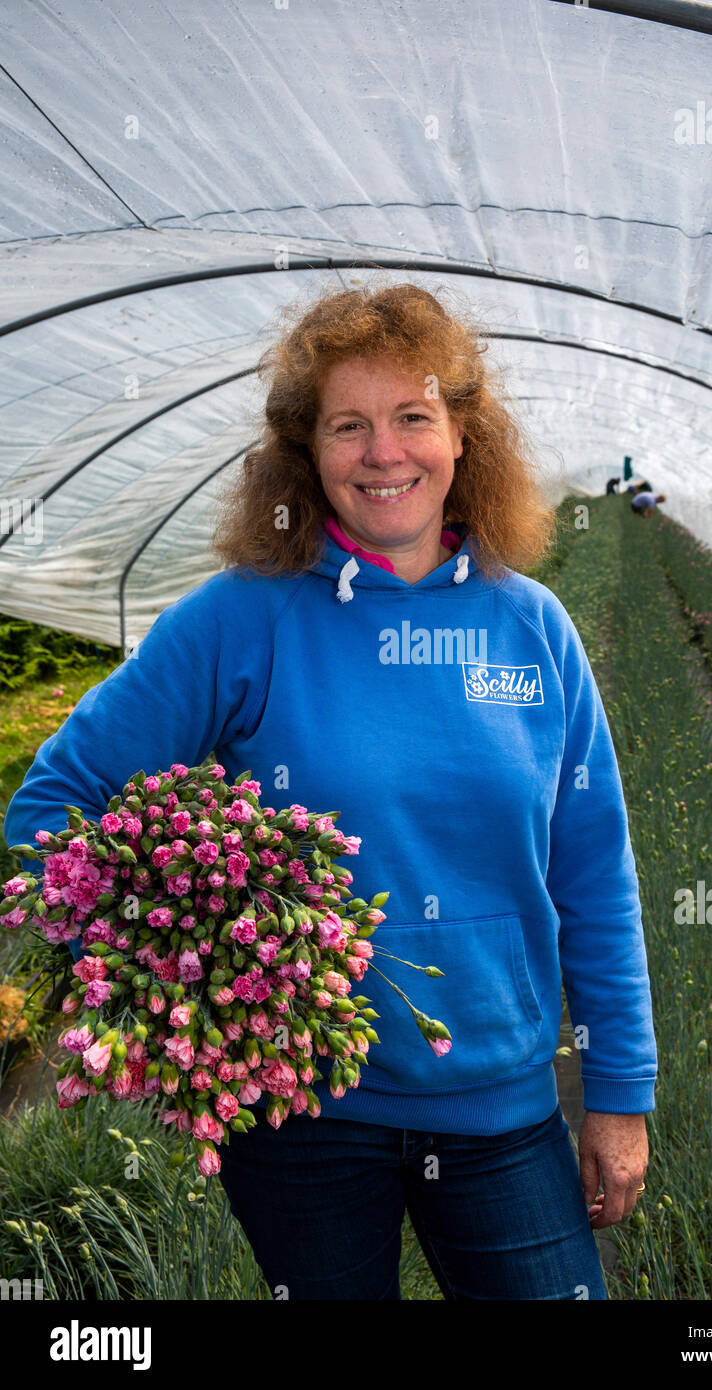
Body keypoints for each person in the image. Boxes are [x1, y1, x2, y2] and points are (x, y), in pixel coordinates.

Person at [4, 282, 657, 1302]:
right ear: (305, 452)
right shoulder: (240, 619)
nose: (382, 452)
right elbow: (57, 806)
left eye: (413, 417)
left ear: (461, 439)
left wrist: (618, 1093)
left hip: (497, 1108)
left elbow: (594, 876)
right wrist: (172, 964)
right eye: (347, 425)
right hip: (298, 1117)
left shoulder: (532, 631)